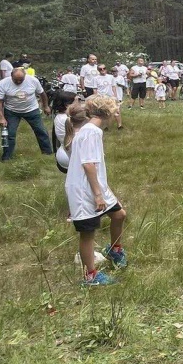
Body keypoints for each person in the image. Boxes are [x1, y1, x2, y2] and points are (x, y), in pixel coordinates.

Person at [65, 94, 127, 286]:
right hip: (86, 190)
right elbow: (88, 165)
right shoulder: (91, 132)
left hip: (96, 186)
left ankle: (114, 251)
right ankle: (90, 276)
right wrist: (97, 194)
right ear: (108, 111)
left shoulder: (91, 130)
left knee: (119, 215)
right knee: (88, 233)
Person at [0, 67, 52, 161]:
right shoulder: (3, 83)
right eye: (15, 80)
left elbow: (42, 94)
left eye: (21, 80)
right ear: (11, 76)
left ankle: (47, 153)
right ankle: (7, 157)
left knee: (41, 131)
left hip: (32, 109)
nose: (18, 82)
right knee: (10, 134)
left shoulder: (33, 80)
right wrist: (1, 117)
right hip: (12, 111)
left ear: (25, 76)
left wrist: (46, 106)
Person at [52, 92, 78, 172]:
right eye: (77, 101)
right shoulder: (66, 119)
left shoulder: (59, 116)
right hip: (70, 155)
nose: (79, 104)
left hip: (64, 152)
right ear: (67, 105)